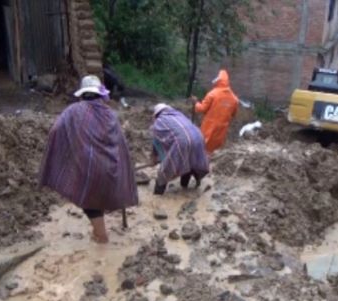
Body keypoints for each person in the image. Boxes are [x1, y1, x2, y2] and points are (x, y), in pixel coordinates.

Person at [39, 75, 138, 243]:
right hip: (112, 170)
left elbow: (55, 131)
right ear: (100, 95)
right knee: (96, 197)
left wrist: (70, 146)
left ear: (82, 94)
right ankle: (100, 233)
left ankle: (101, 236)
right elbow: (120, 144)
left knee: (89, 201)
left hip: (89, 170)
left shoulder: (73, 111)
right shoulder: (110, 114)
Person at [151, 103, 210, 195]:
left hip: (182, 141)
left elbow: (157, 141)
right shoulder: (179, 115)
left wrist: (154, 157)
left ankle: (157, 194)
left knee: (165, 169)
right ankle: (185, 185)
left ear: (157, 114)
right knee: (191, 161)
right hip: (199, 137)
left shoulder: (159, 121)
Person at [192, 69, 239, 154]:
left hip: (208, 127)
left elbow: (201, 109)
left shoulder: (212, 94)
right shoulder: (234, 99)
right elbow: (233, 114)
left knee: (203, 147)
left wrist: (195, 103)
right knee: (214, 151)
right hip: (222, 129)